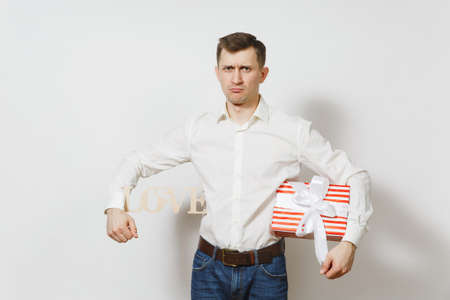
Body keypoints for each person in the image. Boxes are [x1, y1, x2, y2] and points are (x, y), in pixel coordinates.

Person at [104, 32, 373, 299]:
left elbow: (355, 176)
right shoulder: (198, 130)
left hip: (267, 271)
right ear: (217, 72)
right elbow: (137, 161)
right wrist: (116, 206)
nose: (236, 78)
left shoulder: (294, 132)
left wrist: (349, 242)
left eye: (246, 68)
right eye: (228, 68)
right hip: (208, 267)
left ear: (263, 73)